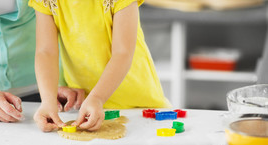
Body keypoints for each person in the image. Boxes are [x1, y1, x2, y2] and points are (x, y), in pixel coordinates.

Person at [29, 0, 170, 132]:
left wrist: (97, 98)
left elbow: (122, 53)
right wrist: (48, 101)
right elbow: (46, 52)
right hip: (86, 108)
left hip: (137, 105)